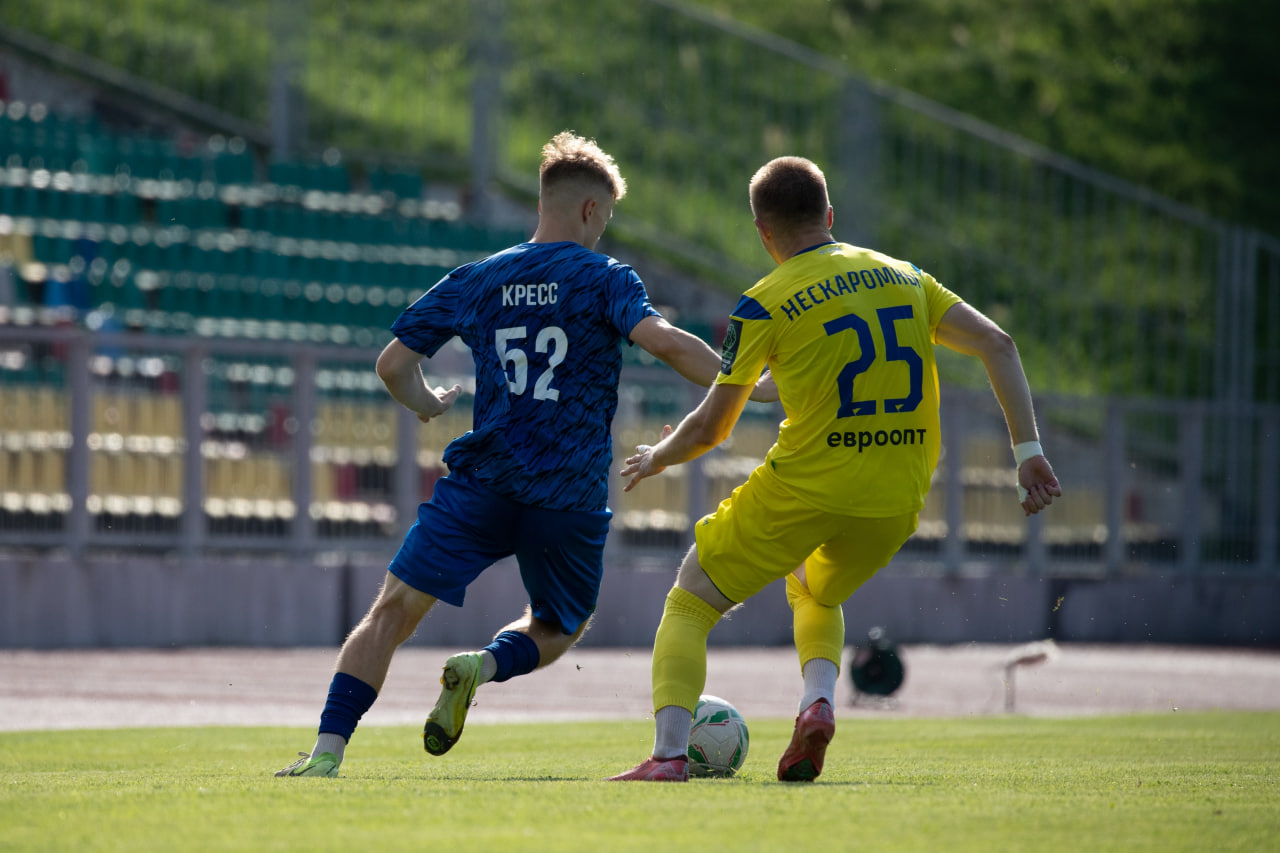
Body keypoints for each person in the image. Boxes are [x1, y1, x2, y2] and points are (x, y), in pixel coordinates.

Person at [276, 131, 776, 778]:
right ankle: (481, 665)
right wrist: (749, 386)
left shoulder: (479, 278)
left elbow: (392, 364)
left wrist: (427, 403)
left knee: (391, 612)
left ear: (543, 202)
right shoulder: (605, 277)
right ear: (591, 210)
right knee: (558, 626)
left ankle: (326, 753)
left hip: (484, 480)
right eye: (606, 219)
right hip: (567, 493)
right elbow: (668, 343)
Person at [608, 156, 1061, 783]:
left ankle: (667, 758)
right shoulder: (905, 276)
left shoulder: (764, 301)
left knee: (691, 599)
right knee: (815, 588)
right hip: (898, 494)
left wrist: (658, 456)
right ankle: (816, 701)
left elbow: (714, 428)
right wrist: (1027, 452)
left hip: (807, 485)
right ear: (828, 214)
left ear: (762, 231)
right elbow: (998, 344)